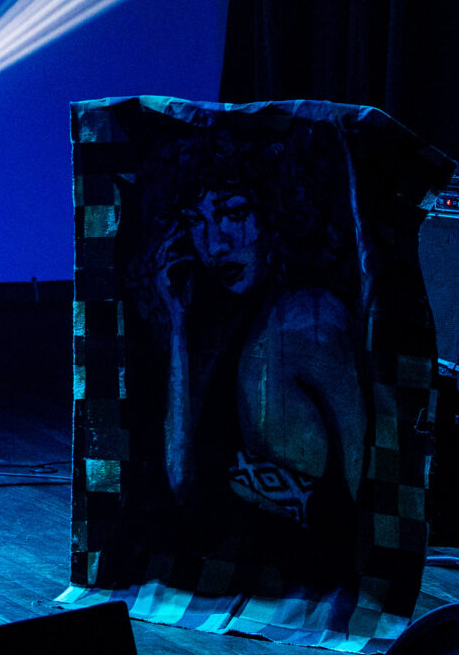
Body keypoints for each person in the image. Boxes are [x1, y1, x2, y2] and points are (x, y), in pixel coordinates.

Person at [143, 147, 367, 592]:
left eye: (234, 213)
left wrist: (235, 474)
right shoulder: (230, 316)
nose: (215, 243)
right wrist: (177, 326)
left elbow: (358, 502)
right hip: (254, 583)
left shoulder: (309, 318)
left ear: (274, 212)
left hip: (307, 585)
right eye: (195, 221)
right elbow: (184, 483)